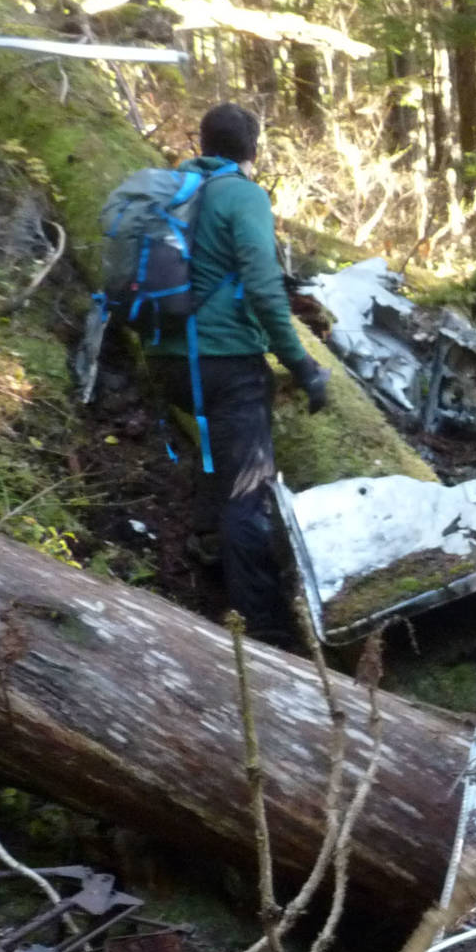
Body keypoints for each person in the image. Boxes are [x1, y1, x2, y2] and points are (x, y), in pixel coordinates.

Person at [143, 102, 332, 648]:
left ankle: (207, 548)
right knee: (250, 493)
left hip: (168, 358)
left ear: (203, 144)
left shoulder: (174, 189)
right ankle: (265, 632)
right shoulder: (244, 195)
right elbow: (264, 287)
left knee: (217, 454)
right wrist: (301, 364)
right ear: (254, 149)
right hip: (224, 361)